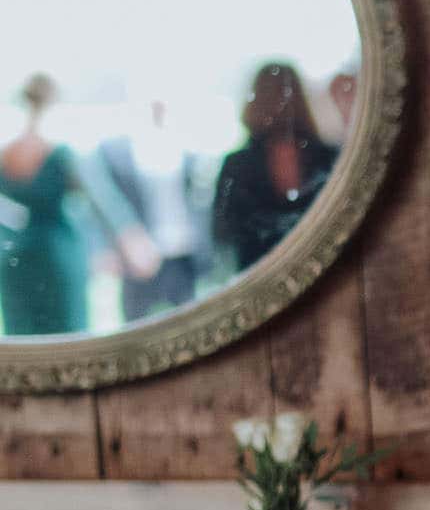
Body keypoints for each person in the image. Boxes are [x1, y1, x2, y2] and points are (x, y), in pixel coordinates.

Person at [0, 73, 159, 336]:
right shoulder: (62, 152)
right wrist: (131, 240)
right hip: (58, 254)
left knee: (24, 337)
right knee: (67, 335)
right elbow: (102, 200)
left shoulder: (6, 153)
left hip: (17, 255)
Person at [213, 62, 338, 273]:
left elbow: (223, 232)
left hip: (269, 277)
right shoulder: (327, 156)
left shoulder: (237, 165)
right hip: (275, 278)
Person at [99, 100, 214, 322]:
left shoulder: (186, 149)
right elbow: (108, 202)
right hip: (140, 256)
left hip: (182, 254)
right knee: (136, 327)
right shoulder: (118, 150)